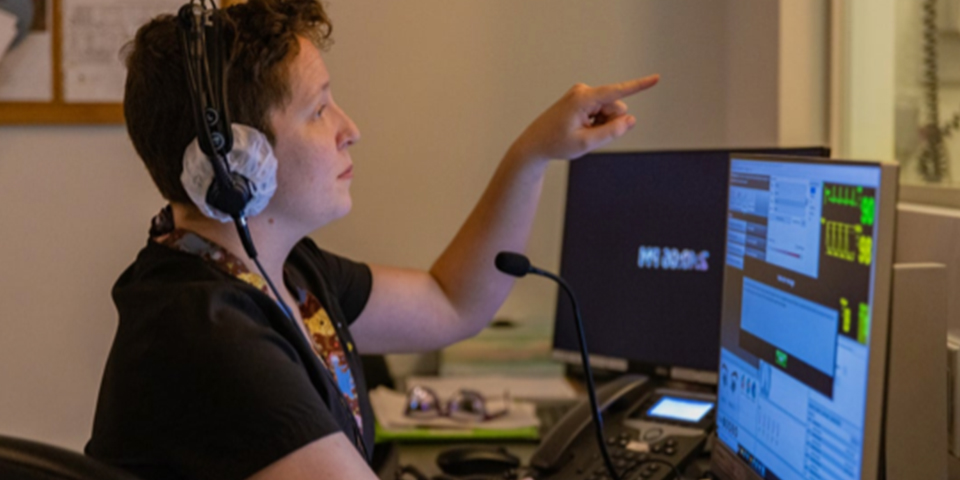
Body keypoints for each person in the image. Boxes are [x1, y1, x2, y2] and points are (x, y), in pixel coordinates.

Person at [84, 0, 659, 479]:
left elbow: (450, 300)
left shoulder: (282, 274)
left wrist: (533, 154)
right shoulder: (211, 336)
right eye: (318, 110)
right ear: (238, 165)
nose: (349, 130)